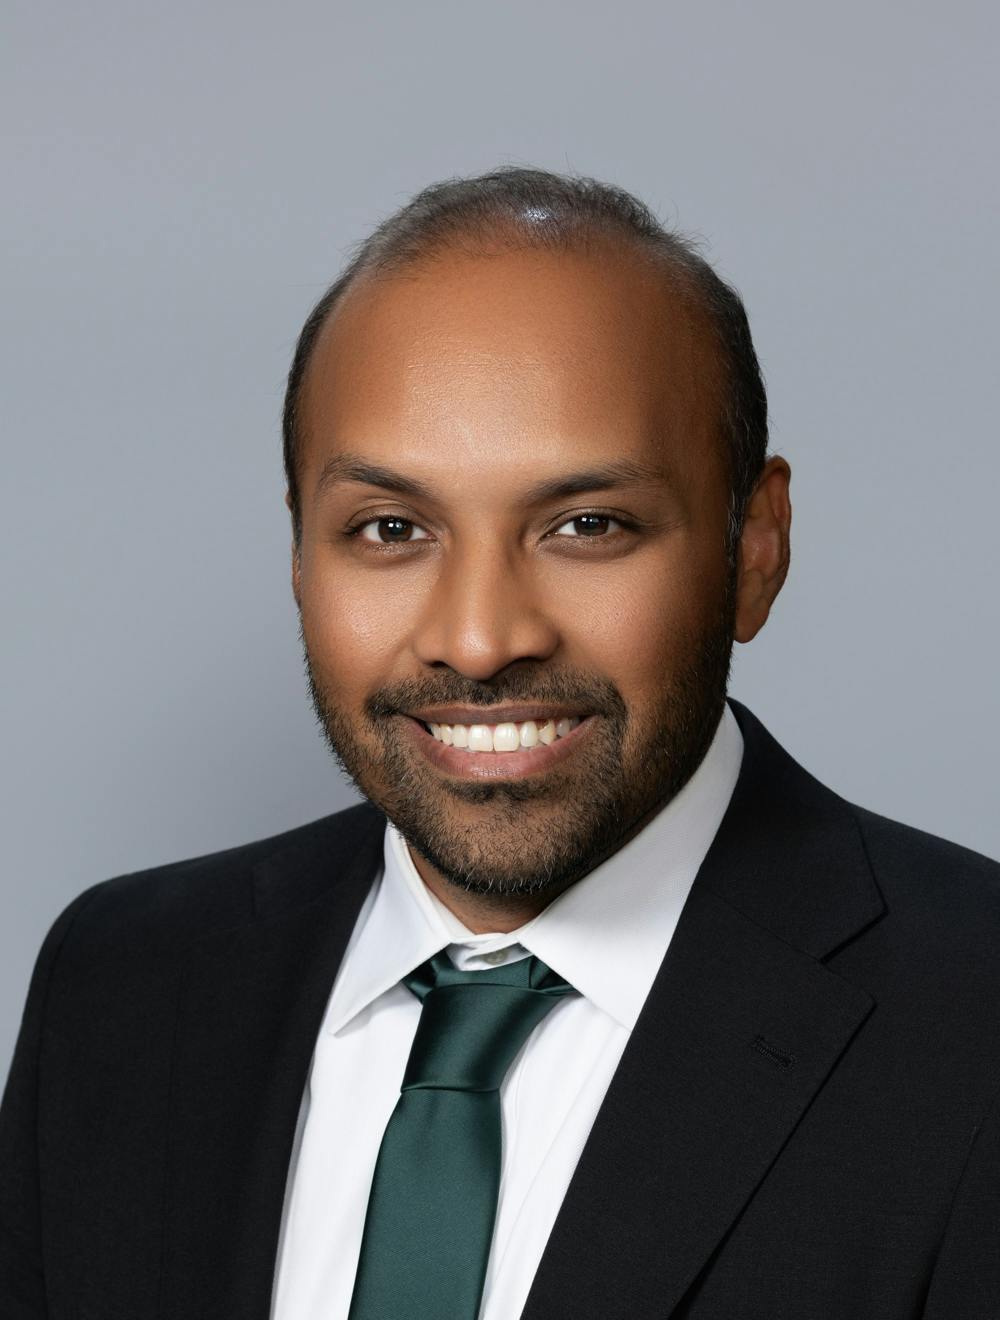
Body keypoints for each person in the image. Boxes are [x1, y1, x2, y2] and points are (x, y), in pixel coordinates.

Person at [2, 167, 998, 1320]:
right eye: (389, 529)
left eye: (586, 526)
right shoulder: (120, 985)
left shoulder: (971, 1028)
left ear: (754, 547)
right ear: (296, 553)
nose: (479, 640)